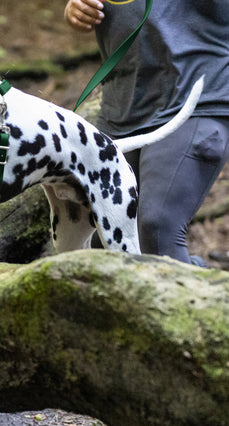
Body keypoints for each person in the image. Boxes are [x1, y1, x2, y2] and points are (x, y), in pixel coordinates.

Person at [64, 0, 229, 266]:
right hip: (121, 107)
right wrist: (76, 9)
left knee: (157, 228)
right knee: (99, 242)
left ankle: (207, 299)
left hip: (196, 98)